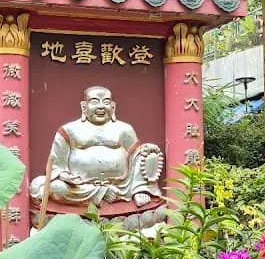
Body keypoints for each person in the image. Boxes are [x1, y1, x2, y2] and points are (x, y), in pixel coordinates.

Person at [29, 86, 164, 208]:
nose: (101, 107)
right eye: (94, 102)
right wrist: (65, 176)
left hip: (121, 186)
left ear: (113, 107)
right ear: (84, 107)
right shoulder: (69, 130)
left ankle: (138, 190)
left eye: (105, 102)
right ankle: (100, 194)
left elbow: (136, 156)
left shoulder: (124, 129)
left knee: (146, 151)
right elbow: (55, 165)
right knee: (50, 186)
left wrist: (146, 153)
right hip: (81, 188)